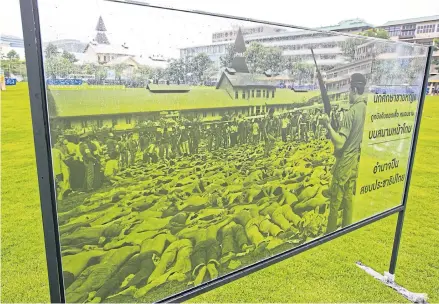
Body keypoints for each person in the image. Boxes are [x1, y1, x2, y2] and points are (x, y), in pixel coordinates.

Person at [322, 73, 367, 233]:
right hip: (355, 159)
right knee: (348, 196)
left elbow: (340, 143)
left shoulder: (351, 112)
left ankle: (330, 232)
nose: (348, 94)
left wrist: (328, 126)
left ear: (354, 89)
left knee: (336, 199)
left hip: (346, 159)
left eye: (349, 90)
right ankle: (347, 227)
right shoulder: (364, 108)